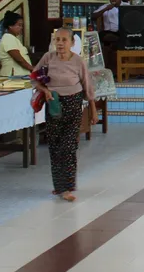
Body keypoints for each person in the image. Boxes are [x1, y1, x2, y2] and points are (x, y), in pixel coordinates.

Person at [33, 28, 97, 202]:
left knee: (68, 146)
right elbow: (34, 77)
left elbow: (87, 85)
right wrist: (44, 90)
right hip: (54, 103)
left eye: (64, 40)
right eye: (57, 40)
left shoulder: (78, 61)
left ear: (72, 43)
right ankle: (59, 186)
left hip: (73, 104)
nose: (60, 43)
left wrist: (93, 108)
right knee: (55, 145)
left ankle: (67, 187)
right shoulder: (48, 58)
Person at [91, 0, 122, 69]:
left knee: (109, 44)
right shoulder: (105, 7)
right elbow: (93, 16)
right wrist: (106, 9)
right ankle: (108, 67)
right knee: (107, 38)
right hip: (108, 32)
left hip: (122, 32)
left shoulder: (126, 5)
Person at [0, 11, 32, 77]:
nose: (21, 28)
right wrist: (32, 68)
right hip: (14, 77)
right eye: (19, 25)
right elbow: (18, 58)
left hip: (20, 76)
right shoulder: (8, 38)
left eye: (22, 25)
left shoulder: (13, 38)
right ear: (10, 26)